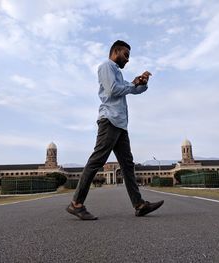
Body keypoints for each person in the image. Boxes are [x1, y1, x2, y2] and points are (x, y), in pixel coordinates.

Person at [66, 40, 164, 220]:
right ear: (115, 51)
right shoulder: (106, 66)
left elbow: (134, 90)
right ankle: (76, 203)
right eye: (125, 55)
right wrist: (132, 84)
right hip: (109, 120)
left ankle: (139, 204)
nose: (127, 60)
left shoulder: (117, 73)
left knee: (127, 165)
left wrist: (141, 83)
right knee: (97, 160)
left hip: (120, 124)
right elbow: (112, 90)